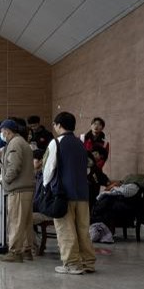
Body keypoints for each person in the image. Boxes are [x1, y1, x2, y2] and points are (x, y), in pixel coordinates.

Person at [43, 111, 96, 275]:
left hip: (63, 194)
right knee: (83, 230)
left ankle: (72, 263)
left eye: (54, 124)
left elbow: (48, 168)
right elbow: (87, 168)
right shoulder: (80, 143)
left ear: (59, 125)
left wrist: (45, 186)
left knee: (66, 230)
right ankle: (88, 262)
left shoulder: (56, 143)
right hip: (82, 193)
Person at [0, 120, 35, 262]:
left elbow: (14, 167)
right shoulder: (22, 142)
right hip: (26, 188)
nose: (1, 134)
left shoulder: (14, 144)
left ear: (7, 131)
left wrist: (5, 181)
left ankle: (15, 252)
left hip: (18, 189)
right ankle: (26, 250)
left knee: (16, 221)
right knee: (25, 222)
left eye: (1, 131)